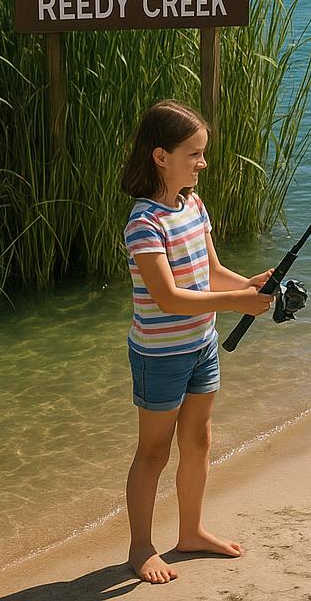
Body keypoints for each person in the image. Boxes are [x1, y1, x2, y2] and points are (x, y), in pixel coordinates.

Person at [120, 100, 273, 584]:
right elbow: (166, 297)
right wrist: (235, 303)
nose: (203, 163)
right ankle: (141, 547)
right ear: (160, 156)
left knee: (199, 440)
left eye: (202, 153)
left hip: (201, 345)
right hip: (159, 354)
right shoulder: (144, 223)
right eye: (194, 154)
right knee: (153, 452)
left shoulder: (194, 205)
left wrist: (249, 286)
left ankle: (190, 532)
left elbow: (212, 272)